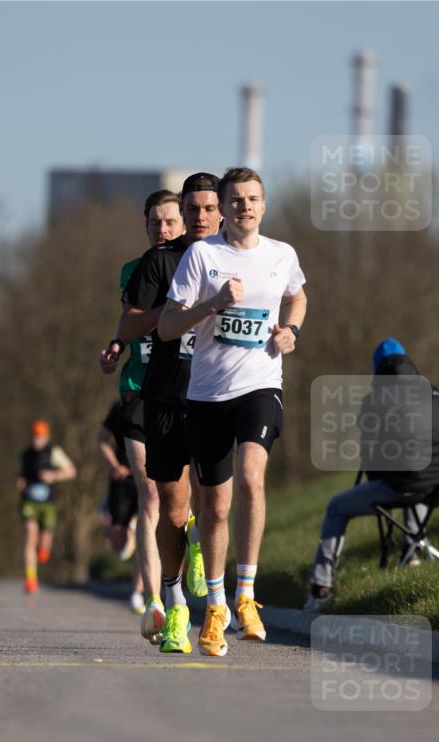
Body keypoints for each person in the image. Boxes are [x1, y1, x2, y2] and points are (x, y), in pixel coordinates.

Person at [159, 166, 307, 656]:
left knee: (251, 477)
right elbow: (165, 326)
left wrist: (292, 331)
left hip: (260, 385)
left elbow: (298, 295)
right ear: (222, 208)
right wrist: (212, 304)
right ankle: (216, 608)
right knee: (216, 507)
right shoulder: (203, 256)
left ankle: (246, 594)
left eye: (253, 198)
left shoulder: (281, 255)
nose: (245, 206)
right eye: (236, 199)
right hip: (206, 396)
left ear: (264, 205)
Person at [114, 173, 223, 654]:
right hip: (165, 397)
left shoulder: (239, 257)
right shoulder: (160, 261)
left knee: (214, 501)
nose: (199, 217)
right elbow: (129, 322)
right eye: (191, 209)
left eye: (207, 208)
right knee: (170, 508)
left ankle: (210, 573)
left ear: (221, 210)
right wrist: (177, 312)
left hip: (219, 395)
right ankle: (176, 606)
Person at [304, 338, 439, 610]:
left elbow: (371, 459)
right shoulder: (434, 392)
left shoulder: (375, 400)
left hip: (406, 487)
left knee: (337, 507)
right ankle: (412, 552)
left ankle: (320, 588)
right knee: (419, 481)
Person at [100, 190, 184, 643]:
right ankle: (155, 601)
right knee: (150, 495)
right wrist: (116, 347)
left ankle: (183, 583)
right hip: (137, 392)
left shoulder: (195, 263)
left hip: (185, 392)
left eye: (170, 221)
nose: (162, 229)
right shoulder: (132, 271)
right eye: (155, 222)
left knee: (180, 500)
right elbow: (127, 323)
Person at [16, 420, 77, 594]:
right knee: (30, 536)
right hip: (28, 501)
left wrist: (53, 475)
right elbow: (20, 474)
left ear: (46, 437)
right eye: (35, 436)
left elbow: (71, 471)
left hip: (48, 502)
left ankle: (43, 549)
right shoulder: (26, 454)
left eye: (40, 437)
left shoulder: (54, 452)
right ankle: (30, 579)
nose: (37, 440)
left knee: (43, 542)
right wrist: (20, 481)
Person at [97, 400, 145, 614]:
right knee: (119, 544)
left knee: (147, 536)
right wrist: (114, 466)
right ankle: (127, 528)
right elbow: (102, 439)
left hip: (146, 476)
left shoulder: (156, 400)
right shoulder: (117, 408)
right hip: (122, 479)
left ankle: (137, 592)